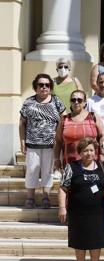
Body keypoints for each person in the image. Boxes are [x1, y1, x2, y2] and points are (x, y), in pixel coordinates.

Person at [58, 137, 104, 261]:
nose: (89, 153)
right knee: (79, 241)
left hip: (98, 212)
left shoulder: (102, 166)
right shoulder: (71, 167)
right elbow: (63, 188)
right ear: (79, 152)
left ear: (95, 152)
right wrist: (62, 207)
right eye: (85, 151)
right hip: (78, 212)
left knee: (97, 241)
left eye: (91, 150)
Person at [19, 74, 65, 209]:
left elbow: (64, 120)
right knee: (32, 169)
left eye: (47, 85)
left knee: (48, 171)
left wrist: (61, 141)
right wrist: (22, 141)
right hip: (32, 143)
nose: (44, 87)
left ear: (50, 87)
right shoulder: (28, 102)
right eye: (41, 85)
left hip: (52, 144)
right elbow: (22, 123)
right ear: (35, 87)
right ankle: (30, 197)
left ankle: (46, 197)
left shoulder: (56, 101)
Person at [53, 90, 104, 169]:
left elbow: (103, 136)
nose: (76, 102)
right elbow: (58, 141)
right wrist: (56, 159)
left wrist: (103, 154)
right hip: (70, 165)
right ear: (70, 102)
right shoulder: (64, 120)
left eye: (79, 100)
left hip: (92, 163)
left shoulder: (93, 117)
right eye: (73, 100)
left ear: (85, 102)